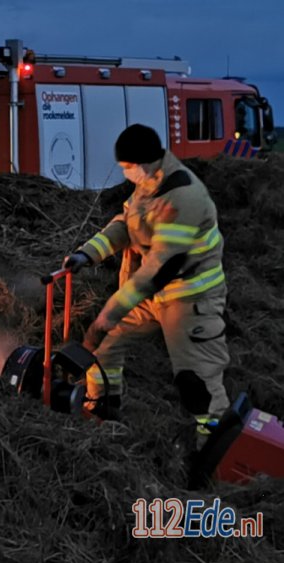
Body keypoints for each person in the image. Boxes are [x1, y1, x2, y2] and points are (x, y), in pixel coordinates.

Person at [63, 124, 229, 430]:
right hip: (152, 296)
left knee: (196, 379)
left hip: (189, 299)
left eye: (127, 167)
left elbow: (157, 270)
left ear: (144, 163)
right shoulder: (148, 185)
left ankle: (213, 447)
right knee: (104, 351)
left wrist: (106, 317)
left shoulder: (183, 198)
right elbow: (126, 225)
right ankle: (103, 413)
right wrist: (87, 254)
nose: (125, 172)